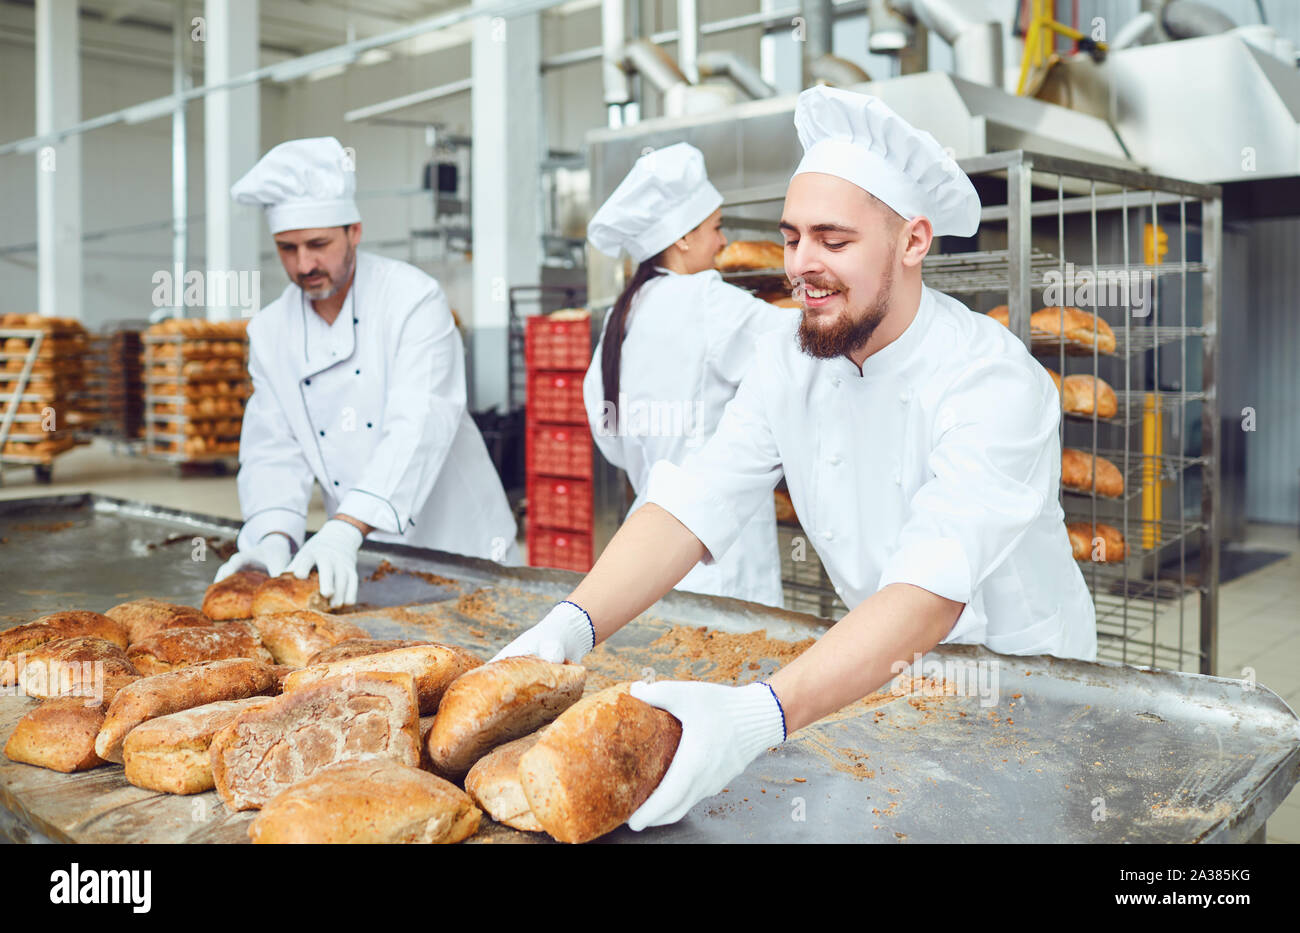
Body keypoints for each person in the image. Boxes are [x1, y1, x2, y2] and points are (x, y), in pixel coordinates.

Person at [493, 87, 1096, 830]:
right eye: (791, 237)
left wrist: (760, 714)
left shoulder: (992, 379)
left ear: (913, 241)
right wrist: (569, 625)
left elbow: (930, 587)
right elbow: (697, 498)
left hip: (1027, 686)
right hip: (887, 671)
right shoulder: (791, 356)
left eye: (833, 241)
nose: (801, 266)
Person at [214, 136, 518, 607]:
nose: (304, 264)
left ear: (354, 231)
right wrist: (272, 535)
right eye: (287, 248)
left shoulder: (412, 300)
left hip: (460, 547)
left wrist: (346, 527)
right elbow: (273, 448)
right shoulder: (271, 330)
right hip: (358, 552)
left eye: (319, 244)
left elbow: (418, 426)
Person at [583, 142, 792, 608]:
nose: (721, 242)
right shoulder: (706, 300)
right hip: (718, 557)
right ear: (681, 237)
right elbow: (806, 340)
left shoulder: (625, 315)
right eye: (715, 228)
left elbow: (611, 439)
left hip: (647, 548)